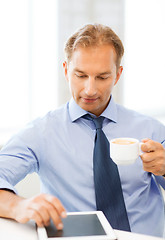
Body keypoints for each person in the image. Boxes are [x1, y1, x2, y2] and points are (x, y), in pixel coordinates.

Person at [0, 23, 165, 237]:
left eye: (102, 77)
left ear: (117, 75)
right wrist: (17, 206)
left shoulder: (150, 129)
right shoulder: (40, 133)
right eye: (80, 75)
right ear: (66, 71)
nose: (90, 89)